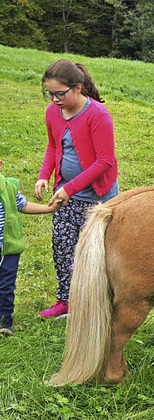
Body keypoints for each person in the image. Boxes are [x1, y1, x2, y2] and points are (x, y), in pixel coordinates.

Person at [36, 59, 119, 319]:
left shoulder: (98, 115)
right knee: (63, 247)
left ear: (78, 88)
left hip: (97, 197)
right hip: (66, 195)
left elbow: (104, 162)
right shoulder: (53, 112)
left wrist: (69, 188)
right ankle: (66, 301)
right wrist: (43, 176)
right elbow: (52, 146)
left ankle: (100, 305)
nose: (55, 99)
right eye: (50, 94)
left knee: (95, 255)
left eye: (60, 93)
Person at [0, 160, 60, 335]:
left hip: (8, 249)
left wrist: (49, 209)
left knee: (6, 286)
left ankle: (5, 322)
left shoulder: (9, 187)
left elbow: (24, 205)